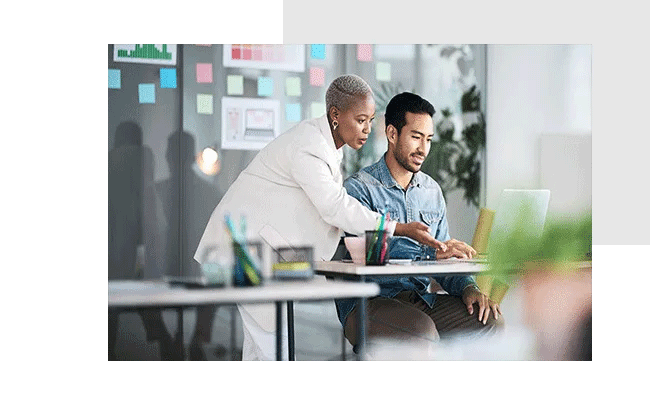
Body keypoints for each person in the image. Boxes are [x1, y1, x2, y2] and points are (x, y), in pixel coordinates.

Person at [195, 75, 447, 360]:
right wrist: (399, 228)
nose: (366, 130)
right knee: (271, 345)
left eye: (370, 120)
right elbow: (333, 206)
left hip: (254, 249)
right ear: (335, 115)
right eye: (360, 120)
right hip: (241, 248)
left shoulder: (325, 147)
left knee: (264, 346)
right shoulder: (309, 145)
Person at [336, 92, 503, 352]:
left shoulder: (432, 191)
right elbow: (367, 255)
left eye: (428, 139)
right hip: (369, 302)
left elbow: (444, 259)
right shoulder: (359, 189)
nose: (423, 149)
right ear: (392, 134)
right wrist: (431, 252)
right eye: (415, 137)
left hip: (421, 299)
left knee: (490, 321)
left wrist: (469, 287)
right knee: (422, 331)